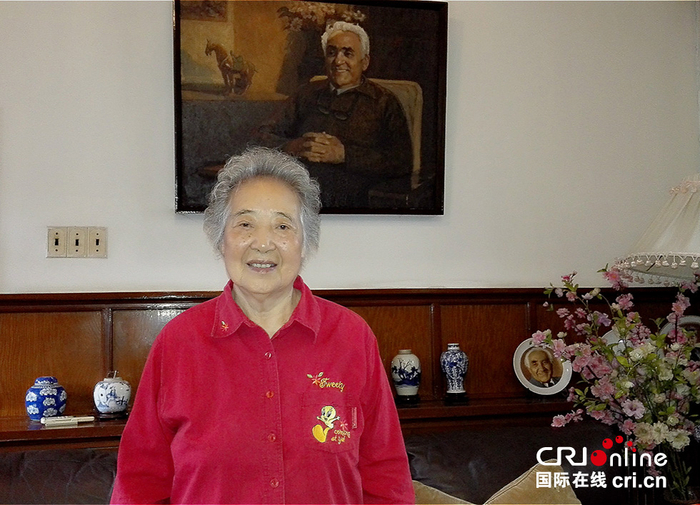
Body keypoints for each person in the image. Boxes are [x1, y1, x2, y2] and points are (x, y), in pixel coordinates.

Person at [110, 147, 414, 504]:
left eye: (282, 226)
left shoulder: (350, 336)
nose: (264, 243)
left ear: (305, 242)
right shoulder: (179, 342)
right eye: (245, 224)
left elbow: (386, 476)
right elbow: (139, 483)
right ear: (221, 239)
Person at [255, 22, 413, 209]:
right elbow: (261, 136)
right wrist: (293, 146)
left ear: (365, 62)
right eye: (332, 53)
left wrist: (344, 154)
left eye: (348, 53)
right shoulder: (306, 94)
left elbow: (402, 160)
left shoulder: (384, 101)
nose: (338, 61)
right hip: (300, 196)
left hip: (356, 202)